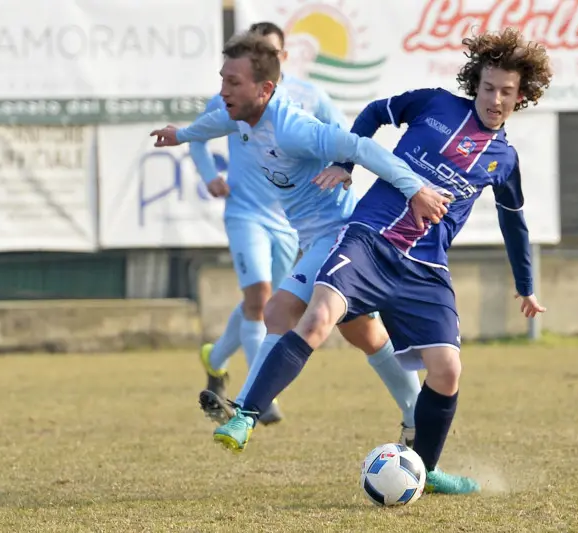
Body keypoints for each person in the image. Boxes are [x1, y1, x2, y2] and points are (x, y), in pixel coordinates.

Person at [211, 27, 550, 495]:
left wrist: (526, 285)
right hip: (368, 240)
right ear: (476, 83)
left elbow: (514, 223)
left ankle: (424, 469)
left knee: (447, 370)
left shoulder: (504, 160)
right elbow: (374, 113)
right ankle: (246, 415)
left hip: (426, 268)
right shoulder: (434, 104)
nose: (494, 99)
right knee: (317, 318)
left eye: (506, 92)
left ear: (521, 96)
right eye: (488, 88)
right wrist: (346, 164)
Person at [150, 32, 447, 446]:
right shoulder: (241, 115)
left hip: (342, 234)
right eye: (222, 80)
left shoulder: (293, 129)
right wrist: (181, 135)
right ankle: (416, 417)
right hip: (317, 237)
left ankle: (245, 411)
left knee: (278, 309)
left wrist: (414, 188)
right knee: (363, 334)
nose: (223, 91)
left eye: (233, 82)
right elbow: (216, 121)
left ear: (265, 88)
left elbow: (361, 146)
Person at [191, 22, 348, 426]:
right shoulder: (234, 98)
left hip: (291, 222)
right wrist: (209, 175)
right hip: (245, 212)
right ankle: (259, 399)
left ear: (282, 58)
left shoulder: (309, 98)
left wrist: (340, 168)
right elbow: (196, 135)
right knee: (261, 299)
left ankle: (216, 357)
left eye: (270, 52)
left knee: (262, 305)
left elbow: (342, 136)